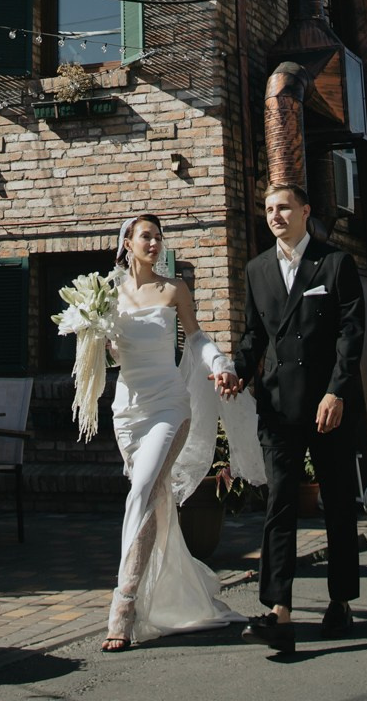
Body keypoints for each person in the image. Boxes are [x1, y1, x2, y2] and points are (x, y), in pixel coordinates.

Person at [99, 212, 263, 651]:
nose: (155, 244)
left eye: (159, 237)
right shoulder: (106, 295)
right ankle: (173, 591)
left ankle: (124, 604)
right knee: (152, 498)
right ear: (127, 243)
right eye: (146, 237)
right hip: (127, 411)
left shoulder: (174, 289)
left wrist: (220, 365)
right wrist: (98, 339)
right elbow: (112, 358)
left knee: (143, 491)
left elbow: (195, 338)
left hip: (170, 404)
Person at [225, 182, 365, 654]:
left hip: (329, 407)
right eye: (268, 209)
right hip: (279, 408)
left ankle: (340, 599)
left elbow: (351, 334)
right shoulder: (257, 268)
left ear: (306, 211)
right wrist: (237, 373)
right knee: (280, 504)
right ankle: (278, 611)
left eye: (284, 207)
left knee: (339, 504)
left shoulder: (335, 263)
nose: (275, 215)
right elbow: (252, 337)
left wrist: (337, 392)